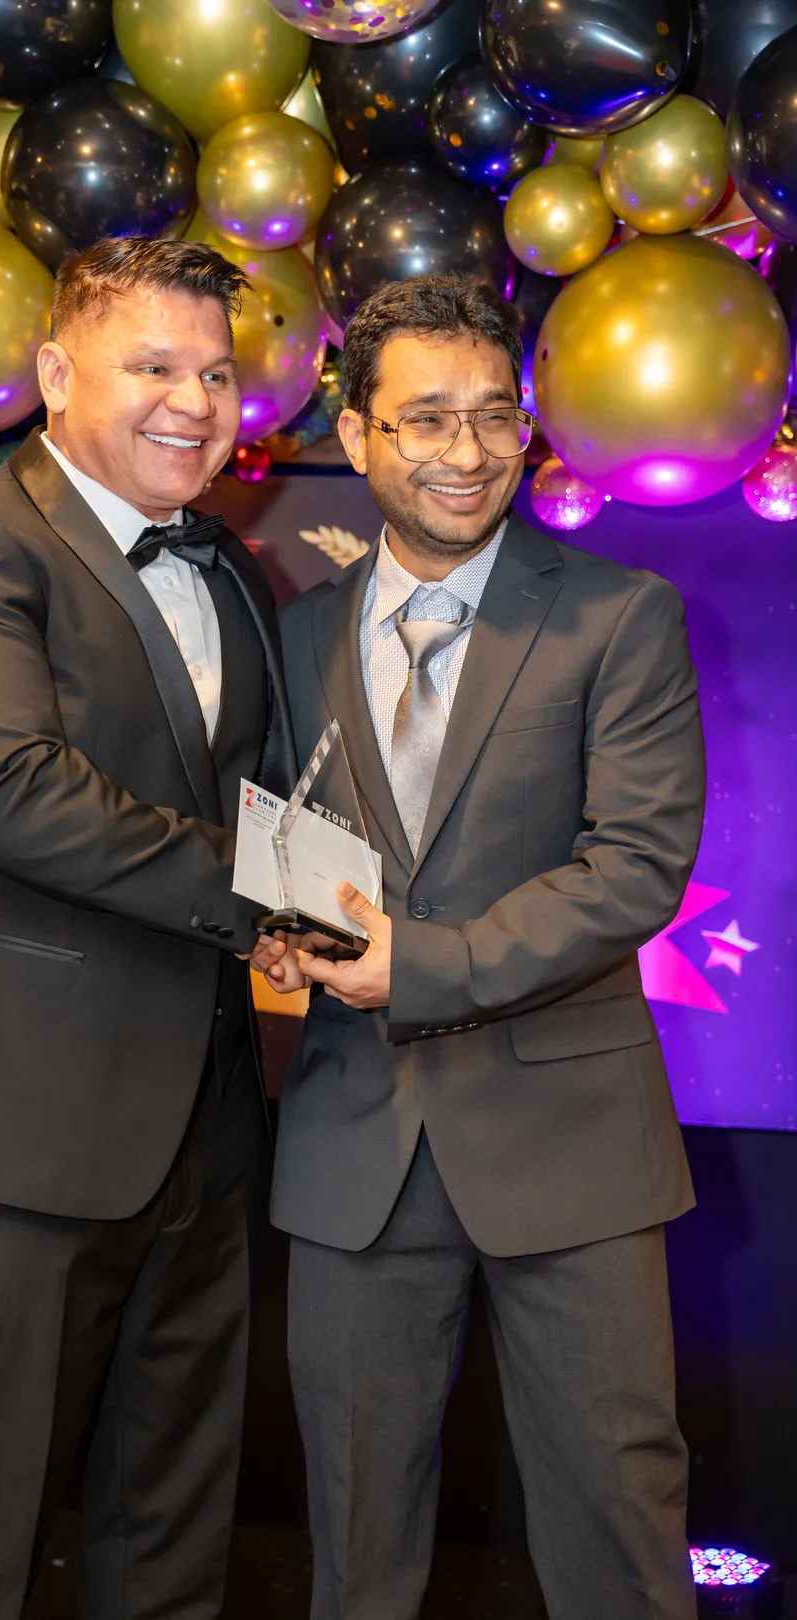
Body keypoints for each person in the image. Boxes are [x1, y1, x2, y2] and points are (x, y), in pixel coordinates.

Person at [0, 236, 293, 1620]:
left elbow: (270, 795)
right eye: (151, 365)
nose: (193, 400)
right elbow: (8, 796)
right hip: (14, 1126)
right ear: (54, 375)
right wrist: (264, 896)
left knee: (171, 1536)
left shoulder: (226, 567)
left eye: (215, 372)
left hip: (210, 1128)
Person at [256, 273, 705, 1620]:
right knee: (354, 1537)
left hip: (571, 1144)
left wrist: (422, 967)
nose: (467, 451)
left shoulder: (618, 616)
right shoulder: (290, 635)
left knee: (617, 1516)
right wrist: (282, 929)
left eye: (495, 417)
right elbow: (288, 841)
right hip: (354, 1151)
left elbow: (635, 868)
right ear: (355, 435)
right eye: (427, 419)